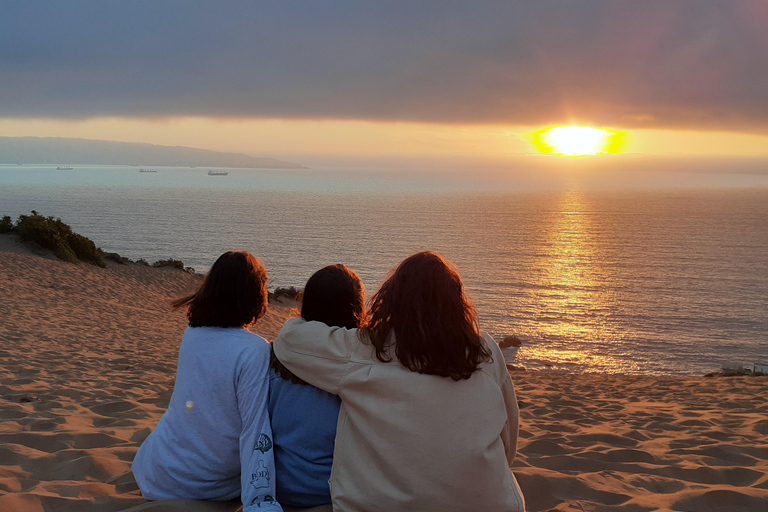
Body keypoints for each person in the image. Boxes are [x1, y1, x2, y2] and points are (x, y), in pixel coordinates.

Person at [273, 251, 525, 512]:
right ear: (456, 302)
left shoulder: (365, 349)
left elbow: (291, 339)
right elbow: (508, 439)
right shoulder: (484, 350)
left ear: (391, 299)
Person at [132, 251, 282, 511]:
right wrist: (261, 502)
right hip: (206, 486)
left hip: (159, 473)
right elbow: (255, 429)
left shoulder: (192, 334)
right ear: (255, 295)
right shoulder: (255, 350)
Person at [269, 264, 365, 509]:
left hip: (277, 489)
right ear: (356, 309)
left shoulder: (275, 354)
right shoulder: (362, 371)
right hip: (332, 496)